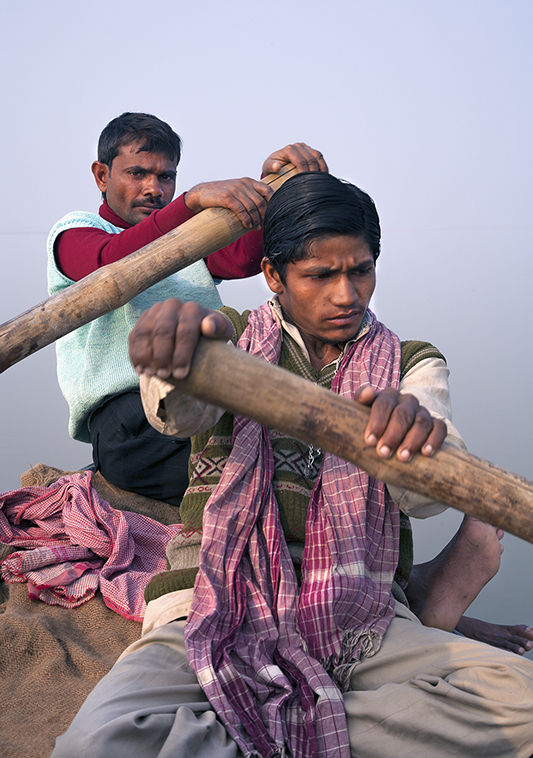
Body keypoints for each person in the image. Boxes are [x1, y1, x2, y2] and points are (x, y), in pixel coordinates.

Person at [52, 171, 533, 758]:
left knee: (521, 701)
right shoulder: (227, 335)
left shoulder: (411, 364)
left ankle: (276, 718)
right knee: (92, 743)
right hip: (211, 603)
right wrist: (173, 354)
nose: (346, 294)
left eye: (360, 270)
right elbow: (175, 413)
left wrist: (415, 440)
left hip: (362, 619)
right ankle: (307, 715)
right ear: (274, 276)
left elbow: (428, 499)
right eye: (320, 275)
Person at [46, 112, 326, 504]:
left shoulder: (186, 242)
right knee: (287, 477)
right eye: (137, 173)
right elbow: (109, 265)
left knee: (315, 457)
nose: (154, 188)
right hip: (132, 426)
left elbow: (244, 257)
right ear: (101, 176)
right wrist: (191, 201)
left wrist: (274, 190)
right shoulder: (77, 232)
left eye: (166, 177)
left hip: (207, 402)